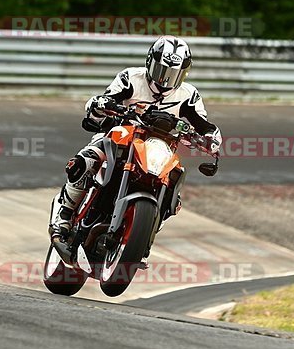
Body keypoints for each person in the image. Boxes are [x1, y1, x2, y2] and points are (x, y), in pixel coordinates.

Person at [50, 35, 222, 239]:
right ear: (150, 63)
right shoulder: (130, 78)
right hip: (121, 135)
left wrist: (210, 140)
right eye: (162, 71)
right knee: (84, 161)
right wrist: (103, 105)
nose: (165, 79)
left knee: (175, 180)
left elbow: (205, 125)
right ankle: (65, 214)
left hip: (160, 148)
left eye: (174, 74)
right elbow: (104, 100)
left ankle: (146, 228)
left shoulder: (189, 95)